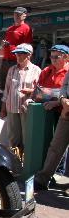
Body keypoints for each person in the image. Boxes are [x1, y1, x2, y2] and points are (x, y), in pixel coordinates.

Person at [34, 52, 69, 191]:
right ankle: (43, 179)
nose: (53, 59)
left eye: (57, 56)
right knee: (55, 146)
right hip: (66, 112)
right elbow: (64, 87)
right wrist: (62, 100)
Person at [0, 43, 41, 154]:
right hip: (12, 107)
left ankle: (26, 163)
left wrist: (31, 91)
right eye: (16, 54)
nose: (17, 56)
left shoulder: (36, 70)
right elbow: (6, 91)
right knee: (13, 138)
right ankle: (15, 162)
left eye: (20, 54)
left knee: (27, 137)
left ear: (29, 55)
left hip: (27, 109)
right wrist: (3, 109)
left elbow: (41, 92)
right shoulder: (12, 69)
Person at [0, 7, 33, 90]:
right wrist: (4, 44)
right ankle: (4, 101)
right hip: (5, 60)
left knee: (15, 84)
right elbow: (7, 42)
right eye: (15, 14)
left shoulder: (26, 28)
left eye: (19, 14)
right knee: (3, 85)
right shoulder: (9, 29)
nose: (16, 16)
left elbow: (27, 47)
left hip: (16, 61)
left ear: (24, 16)